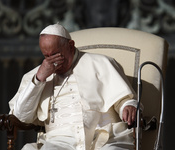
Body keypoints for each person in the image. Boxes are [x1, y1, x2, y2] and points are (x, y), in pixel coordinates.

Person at [9, 24, 140, 150]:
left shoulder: (101, 63)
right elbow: (20, 117)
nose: (52, 62)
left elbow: (124, 98)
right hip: (58, 142)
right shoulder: (35, 76)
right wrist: (39, 79)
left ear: (71, 46)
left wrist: (127, 106)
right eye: (46, 56)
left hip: (105, 137)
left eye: (56, 55)